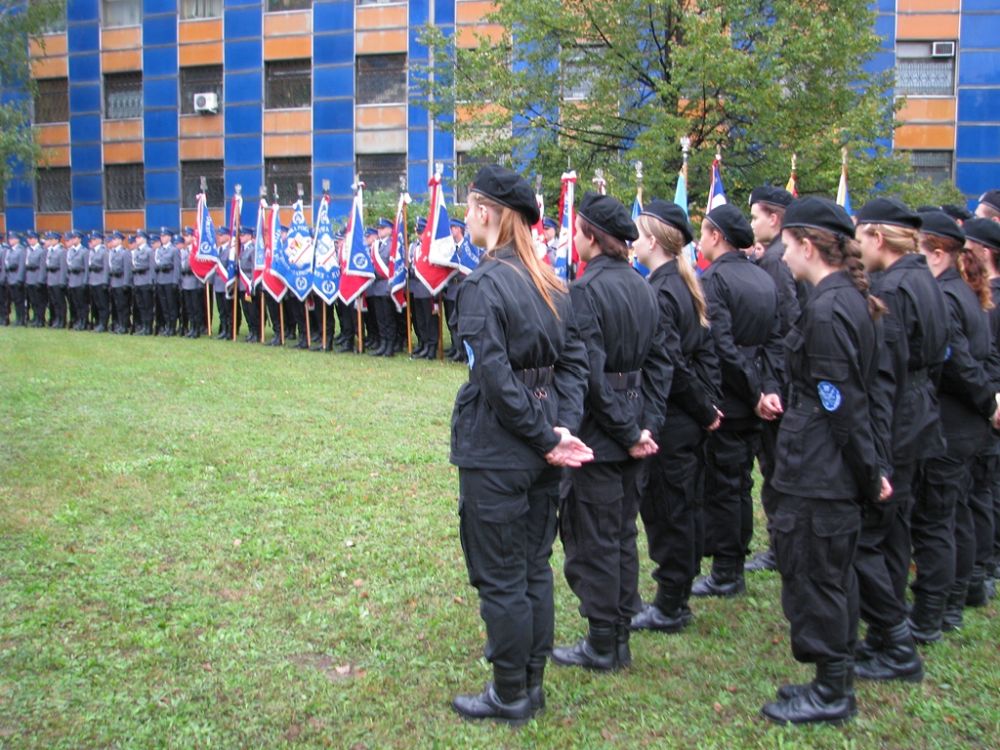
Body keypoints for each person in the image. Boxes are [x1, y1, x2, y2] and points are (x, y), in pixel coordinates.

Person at [450, 164, 591, 725]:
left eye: (469, 205)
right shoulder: (552, 282)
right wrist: (559, 429)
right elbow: (575, 365)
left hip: (502, 450)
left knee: (507, 572)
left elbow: (496, 379)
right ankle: (529, 682)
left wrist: (547, 433)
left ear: (487, 211)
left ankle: (511, 692)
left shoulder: (485, 284)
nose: (466, 216)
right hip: (540, 448)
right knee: (532, 565)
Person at [761, 196, 890, 726]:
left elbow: (842, 402)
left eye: (787, 245)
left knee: (818, 578)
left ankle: (833, 691)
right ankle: (827, 677)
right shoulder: (842, 300)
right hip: (822, 464)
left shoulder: (829, 309)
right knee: (824, 575)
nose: (782, 255)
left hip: (822, 470)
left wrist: (867, 471)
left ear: (809, 246)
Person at [553, 192, 672, 672]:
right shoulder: (644, 286)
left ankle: (605, 640)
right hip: (634, 426)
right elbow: (662, 365)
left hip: (605, 435)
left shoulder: (583, 290)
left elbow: (591, 373)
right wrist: (647, 424)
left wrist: (631, 430)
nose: (574, 238)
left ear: (591, 238)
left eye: (578, 230)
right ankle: (616, 631)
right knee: (620, 532)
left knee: (595, 536)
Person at [852, 198, 947, 683]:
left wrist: (877, 454)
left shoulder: (892, 288)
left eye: (861, 237)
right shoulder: (926, 279)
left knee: (867, 536)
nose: (857, 246)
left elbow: (885, 374)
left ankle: (894, 640)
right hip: (920, 415)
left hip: (897, 420)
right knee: (893, 532)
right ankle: (884, 638)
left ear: (879, 237)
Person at [629, 200, 722, 634]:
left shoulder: (663, 290)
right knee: (679, 507)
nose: (632, 240)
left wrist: (704, 409)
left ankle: (670, 604)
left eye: (637, 232)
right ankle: (675, 596)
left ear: (652, 240)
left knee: (669, 512)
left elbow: (672, 365)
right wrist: (707, 406)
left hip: (673, 418)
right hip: (687, 416)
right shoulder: (679, 283)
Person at [911, 211, 999, 640]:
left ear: (940, 251)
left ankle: (934, 613)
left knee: (936, 521)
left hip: (952, 422)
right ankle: (953, 600)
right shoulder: (965, 290)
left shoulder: (946, 295)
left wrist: (988, 401)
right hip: (969, 423)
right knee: (955, 516)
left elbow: (959, 361)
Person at [694, 203, 783, 597]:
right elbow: (777, 342)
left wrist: (754, 391)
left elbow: (723, 347)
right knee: (740, 482)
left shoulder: (714, 280)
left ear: (717, 236)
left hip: (732, 399)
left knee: (726, 485)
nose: (699, 238)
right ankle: (731, 564)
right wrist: (769, 388)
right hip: (756, 395)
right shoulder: (763, 278)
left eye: (703, 230)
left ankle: (727, 571)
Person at [746, 186, 800, 573]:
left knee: (778, 469)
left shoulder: (778, 262)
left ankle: (783, 546)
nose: (752, 224)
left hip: (780, 382)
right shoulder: (778, 257)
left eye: (755, 216)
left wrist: (771, 385)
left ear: (774, 218)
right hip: (786, 379)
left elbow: (781, 328)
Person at [957, 217, 1000, 605]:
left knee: (977, 496)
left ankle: (979, 573)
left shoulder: (988, 300)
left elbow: (985, 359)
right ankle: (979, 572)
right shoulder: (983, 297)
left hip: (985, 406)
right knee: (981, 494)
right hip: (986, 404)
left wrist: (992, 398)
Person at [408, 216, 436, 359]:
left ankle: (432, 346)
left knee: (429, 318)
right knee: (419, 318)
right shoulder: (414, 246)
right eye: (418, 232)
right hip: (416, 287)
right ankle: (423, 343)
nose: (419, 235)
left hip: (427, 288)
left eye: (421, 232)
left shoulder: (431, 247)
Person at [368, 218, 396, 356]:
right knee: (380, 318)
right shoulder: (376, 245)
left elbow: (393, 267)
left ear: (390, 230)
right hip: (376, 287)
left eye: (382, 228)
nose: (379, 230)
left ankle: (390, 345)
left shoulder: (392, 245)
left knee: (388, 318)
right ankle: (383, 343)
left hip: (386, 286)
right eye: (378, 228)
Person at [154, 229, 180, 336]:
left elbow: (177, 267)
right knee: (164, 306)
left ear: (169, 237)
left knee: (171, 305)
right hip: (161, 280)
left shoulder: (174, 250)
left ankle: (172, 328)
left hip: (169, 281)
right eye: (161, 236)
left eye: (164, 236)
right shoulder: (159, 250)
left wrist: (175, 281)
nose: (162, 238)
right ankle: (167, 326)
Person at [237, 226, 260, 343]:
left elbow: (253, 268)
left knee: (252, 309)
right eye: (240, 235)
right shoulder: (242, 249)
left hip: (248, 285)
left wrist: (252, 284)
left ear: (250, 236)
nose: (241, 237)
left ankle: (256, 332)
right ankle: (251, 330)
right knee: (245, 309)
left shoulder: (253, 249)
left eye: (243, 235)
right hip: (242, 284)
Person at [107, 231, 132, 334]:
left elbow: (127, 269)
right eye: (112, 239)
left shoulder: (124, 252)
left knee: (123, 306)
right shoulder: (112, 252)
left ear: (120, 240)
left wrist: (126, 283)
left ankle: (124, 326)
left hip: (121, 282)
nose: (112, 241)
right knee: (117, 306)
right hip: (114, 282)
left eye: (114, 239)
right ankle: (119, 325)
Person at [131, 230, 155, 335]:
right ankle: (144, 326)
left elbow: (152, 267)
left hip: (146, 282)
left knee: (147, 306)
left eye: (139, 237)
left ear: (144, 239)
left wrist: (151, 282)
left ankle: (148, 327)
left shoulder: (149, 251)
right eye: (136, 237)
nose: (137, 239)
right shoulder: (136, 251)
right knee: (141, 306)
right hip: (137, 282)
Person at [65, 230, 89, 330]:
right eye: (72, 238)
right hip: (72, 281)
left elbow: (87, 268)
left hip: (80, 280)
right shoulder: (70, 251)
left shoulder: (84, 251)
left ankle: (84, 322)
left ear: (79, 239)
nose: (73, 240)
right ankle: (78, 321)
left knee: (82, 304)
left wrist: (85, 281)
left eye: (75, 238)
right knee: (75, 303)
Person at [87, 230, 110, 332]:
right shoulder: (92, 251)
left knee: (102, 304)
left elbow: (106, 267)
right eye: (92, 239)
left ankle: (103, 324)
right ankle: (98, 322)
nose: (92, 241)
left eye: (94, 239)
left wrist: (105, 281)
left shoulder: (104, 251)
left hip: (100, 281)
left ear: (100, 240)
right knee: (96, 304)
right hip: (93, 281)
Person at [44, 231, 68, 328]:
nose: (49, 241)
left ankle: (62, 320)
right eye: (49, 239)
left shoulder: (61, 251)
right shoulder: (50, 251)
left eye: (51, 239)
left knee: (60, 302)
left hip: (58, 280)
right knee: (54, 302)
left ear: (57, 240)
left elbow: (63, 268)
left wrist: (62, 281)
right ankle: (56, 319)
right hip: (51, 280)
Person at [23, 231, 46, 327]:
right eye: (28, 238)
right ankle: (36, 318)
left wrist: (40, 280)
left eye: (31, 238)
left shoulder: (41, 250)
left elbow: (42, 266)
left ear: (36, 239)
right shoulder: (28, 250)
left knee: (39, 301)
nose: (29, 240)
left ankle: (40, 319)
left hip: (37, 278)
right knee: (33, 301)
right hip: (29, 279)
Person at [5, 231, 28, 327]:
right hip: (10, 278)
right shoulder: (10, 250)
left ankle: (21, 319)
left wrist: (19, 279)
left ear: (17, 240)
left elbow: (22, 266)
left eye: (12, 239)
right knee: (15, 301)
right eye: (9, 239)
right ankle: (18, 319)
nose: (10, 240)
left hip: (17, 279)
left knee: (20, 301)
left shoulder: (21, 250)